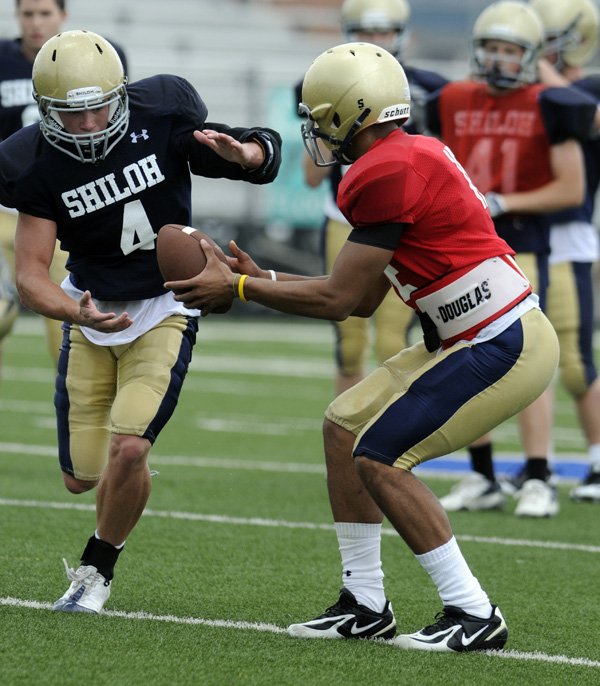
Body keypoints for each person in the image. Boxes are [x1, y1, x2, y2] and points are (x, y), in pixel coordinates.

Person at [165, 41, 560, 651]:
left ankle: (473, 611)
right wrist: (263, 277)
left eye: (324, 118)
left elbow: (337, 301)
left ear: (354, 112)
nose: (319, 133)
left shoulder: (386, 171)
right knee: (343, 426)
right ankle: (365, 602)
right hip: (466, 330)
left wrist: (238, 286)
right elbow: (365, 296)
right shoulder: (407, 157)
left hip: (499, 337)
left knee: (380, 456)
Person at [0, 29, 281, 614]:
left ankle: (95, 571)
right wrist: (69, 309)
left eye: (98, 107)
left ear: (121, 96)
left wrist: (248, 153)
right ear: (45, 111)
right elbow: (30, 273)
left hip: (165, 305)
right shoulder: (31, 161)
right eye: (69, 115)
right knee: (82, 476)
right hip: (92, 307)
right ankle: (130, 478)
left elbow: (251, 152)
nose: (87, 125)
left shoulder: (161, 113)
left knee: (129, 450)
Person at [425, 0, 597, 517]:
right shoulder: (452, 98)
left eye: (510, 50)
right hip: (460, 244)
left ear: (530, 54)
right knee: (462, 358)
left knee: (527, 357)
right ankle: (482, 476)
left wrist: (505, 201)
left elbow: (572, 187)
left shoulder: (552, 101)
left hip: (519, 241)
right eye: (491, 49)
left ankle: (538, 474)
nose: (499, 60)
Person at [294, 0, 448, 396]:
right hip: (346, 221)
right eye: (366, 31)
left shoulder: (430, 91)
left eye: (383, 32)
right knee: (349, 345)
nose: (375, 40)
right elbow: (312, 176)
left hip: (402, 223)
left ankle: (390, 437)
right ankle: (350, 433)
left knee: (394, 339)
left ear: (401, 35)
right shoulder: (326, 82)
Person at [0, 0, 128, 367]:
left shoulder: (96, 58)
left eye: (45, 14)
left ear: (63, 16)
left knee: (69, 327)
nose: (37, 23)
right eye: (28, 14)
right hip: (4, 207)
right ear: (17, 17)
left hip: (56, 210)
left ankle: (73, 408)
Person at [528, 0, 600, 503]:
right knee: (531, 356)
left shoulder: (585, 89)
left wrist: (539, 71)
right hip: (524, 231)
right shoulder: (527, 87)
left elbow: (583, 112)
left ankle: (598, 460)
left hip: (569, 232)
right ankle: (537, 466)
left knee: (574, 359)